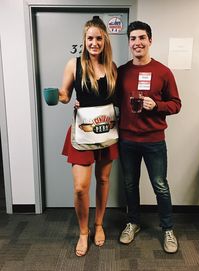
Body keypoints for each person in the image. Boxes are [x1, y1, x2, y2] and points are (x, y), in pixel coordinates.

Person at [117, 21, 181, 253]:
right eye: (133, 38)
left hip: (154, 140)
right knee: (130, 184)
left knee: (160, 186)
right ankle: (132, 223)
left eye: (142, 38)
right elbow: (111, 100)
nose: (137, 43)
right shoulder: (122, 71)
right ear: (129, 43)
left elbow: (176, 104)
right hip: (126, 140)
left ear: (150, 41)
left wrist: (157, 105)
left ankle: (168, 229)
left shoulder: (163, 71)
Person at [59, 16, 118, 257]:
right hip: (82, 134)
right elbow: (65, 93)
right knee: (81, 188)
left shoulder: (112, 67)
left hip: (105, 131)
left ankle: (99, 225)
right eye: (90, 38)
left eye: (98, 38)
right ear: (84, 40)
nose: (94, 42)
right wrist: (62, 96)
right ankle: (83, 232)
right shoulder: (74, 64)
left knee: (103, 181)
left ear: (105, 40)